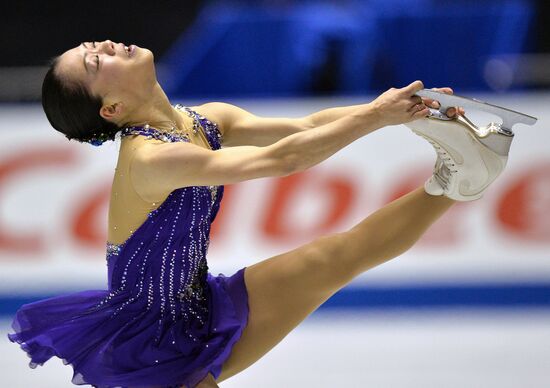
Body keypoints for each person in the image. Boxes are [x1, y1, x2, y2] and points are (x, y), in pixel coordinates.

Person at [8, 40, 501, 388]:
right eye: (95, 62)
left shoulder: (201, 119)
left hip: (198, 303)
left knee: (337, 255)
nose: (107, 46)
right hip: (150, 345)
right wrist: (377, 117)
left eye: (94, 45)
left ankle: (457, 183)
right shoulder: (152, 158)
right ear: (111, 108)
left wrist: (393, 108)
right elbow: (284, 161)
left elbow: (302, 127)